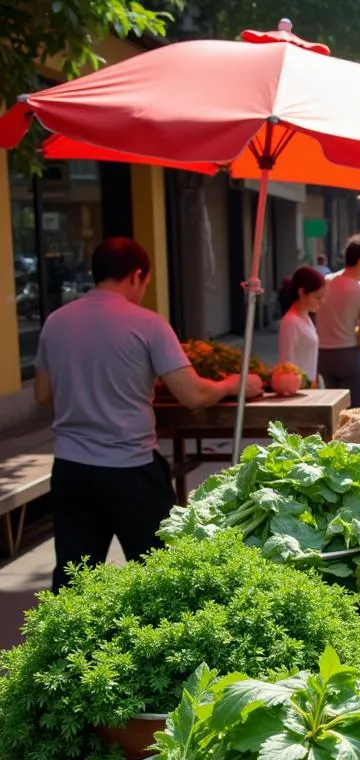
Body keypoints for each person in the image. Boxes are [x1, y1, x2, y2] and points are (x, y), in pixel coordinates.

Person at [33, 237, 263, 590]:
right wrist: (233, 384)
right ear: (137, 275)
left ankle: (70, 647)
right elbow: (193, 394)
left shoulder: (55, 322)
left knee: (74, 585)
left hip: (71, 470)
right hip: (130, 469)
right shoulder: (148, 324)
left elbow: (43, 394)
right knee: (162, 581)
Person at [316, 232, 360, 408]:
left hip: (322, 356)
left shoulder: (324, 282)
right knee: (357, 413)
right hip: (349, 357)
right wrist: (359, 354)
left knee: (333, 412)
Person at [278, 265, 325, 385]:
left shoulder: (306, 317)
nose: (321, 302)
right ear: (302, 292)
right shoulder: (290, 322)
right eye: (317, 297)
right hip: (299, 388)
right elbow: (286, 364)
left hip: (309, 385)